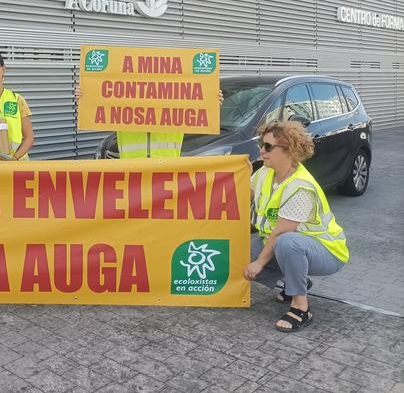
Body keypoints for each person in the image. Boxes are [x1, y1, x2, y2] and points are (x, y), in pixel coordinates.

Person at [244, 120, 349, 332]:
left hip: (328, 251)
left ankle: (301, 307)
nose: (262, 151)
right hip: (284, 243)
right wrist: (240, 174)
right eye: (261, 146)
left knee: (287, 243)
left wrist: (258, 264)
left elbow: (282, 232)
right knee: (239, 255)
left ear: (289, 150)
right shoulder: (265, 172)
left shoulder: (300, 186)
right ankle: (296, 283)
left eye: (268, 147)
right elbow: (245, 195)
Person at [74, 87, 222, 158]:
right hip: (132, 173)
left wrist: (211, 102)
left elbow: (199, 109)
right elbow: (102, 105)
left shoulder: (177, 104)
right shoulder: (125, 102)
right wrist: (87, 96)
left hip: (165, 172)